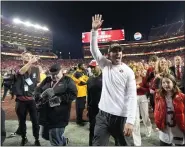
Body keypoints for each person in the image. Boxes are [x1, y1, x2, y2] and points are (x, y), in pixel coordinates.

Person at [90, 14, 137, 146]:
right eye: (114, 51)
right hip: (103, 115)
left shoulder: (128, 71)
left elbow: (132, 97)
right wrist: (94, 31)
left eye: (119, 51)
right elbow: (94, 50)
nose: (118, 53)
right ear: (108, 54)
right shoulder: (105, 65)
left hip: (121, 117)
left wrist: (130, 121)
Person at [34, 63, 77, 146]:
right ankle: (63, 140)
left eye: (56, 74)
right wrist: (38, 95)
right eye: (52, 75)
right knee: (45, 135)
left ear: (61, 71)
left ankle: (59, 141)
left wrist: (60, 98)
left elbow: (73, 94)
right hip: (46, 115)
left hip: (59, 116)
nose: (54, 77)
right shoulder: (47, 80)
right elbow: (37, 89)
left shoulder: (68, 80)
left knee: (55, 140)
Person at [12, 51, 41, 146]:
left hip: (32, 100)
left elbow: (37, 83)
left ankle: (37, 139)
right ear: (22, 57)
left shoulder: (36, 69)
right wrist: (30, 62)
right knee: (22, 121)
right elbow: (21, 72)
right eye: (26, 56)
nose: (28, 57)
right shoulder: (18, 67)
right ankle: (24, 138)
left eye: (30, 56)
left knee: (36, 121)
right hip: (21, 100)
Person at [154, 74, 185, 146]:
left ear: (173, 83)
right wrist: (159, 123)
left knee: (179, 144)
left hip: (178, 128)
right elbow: (156, 111)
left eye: (168, 82)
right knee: (164, 144)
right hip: (165, 128)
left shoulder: (182, 97)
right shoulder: (158, 96)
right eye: (163, 83)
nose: (165, 85)